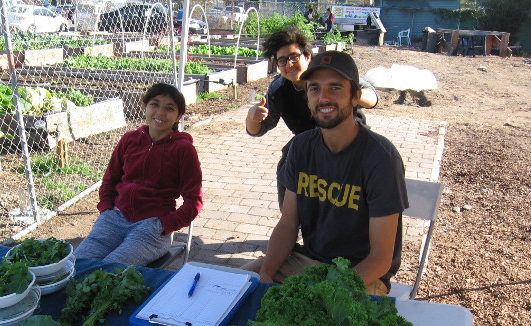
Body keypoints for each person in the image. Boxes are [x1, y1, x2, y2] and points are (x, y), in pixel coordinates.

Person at [242, 51, 408, 296]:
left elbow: (380, 259)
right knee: (233, 286)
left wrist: (325, 294)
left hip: (362, 276)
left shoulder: (381, 158)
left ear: (355, 98)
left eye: (335, 88)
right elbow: (288, 223)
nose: (324, 98)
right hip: (308, 263)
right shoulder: (300, 147)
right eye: (314, 89)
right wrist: (266, 275)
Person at [245, 28, 379, 210]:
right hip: (308, 142)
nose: (289, 64)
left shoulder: (330, 72)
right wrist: (253, 117)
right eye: (282, 61)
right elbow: (259, 128)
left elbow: (373, 99)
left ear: (307, 56)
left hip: (347, 136)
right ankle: (291, 221)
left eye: (294, 57)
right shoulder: (279, 89)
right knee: (287, 164)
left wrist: (345, 92)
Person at [74, 83, 203, 266]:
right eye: (154, 104)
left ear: (178, 117)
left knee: (111, 270)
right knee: (76, 265)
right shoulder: (129, 139)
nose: (160, 112)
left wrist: (164, 224)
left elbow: (194, 201)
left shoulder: (183, 150)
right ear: (145, 106)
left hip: (151, 227)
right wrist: (106, 209)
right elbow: (110, 179)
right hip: (114, 218)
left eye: (169, 108)